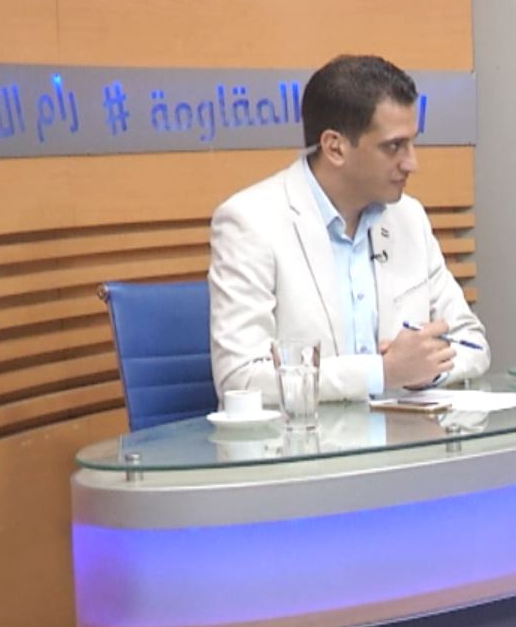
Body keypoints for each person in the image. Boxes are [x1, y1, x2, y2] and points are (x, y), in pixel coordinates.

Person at [209, 55, 489, 402]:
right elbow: (241, 378)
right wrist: (380, 373)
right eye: (394, 146)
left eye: (412, 143)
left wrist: (424, 373)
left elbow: (472, 342)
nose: (411, 163)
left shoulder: (409, 217)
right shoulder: (251, 222)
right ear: (335, 147)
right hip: (307, 436)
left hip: (403, 433)